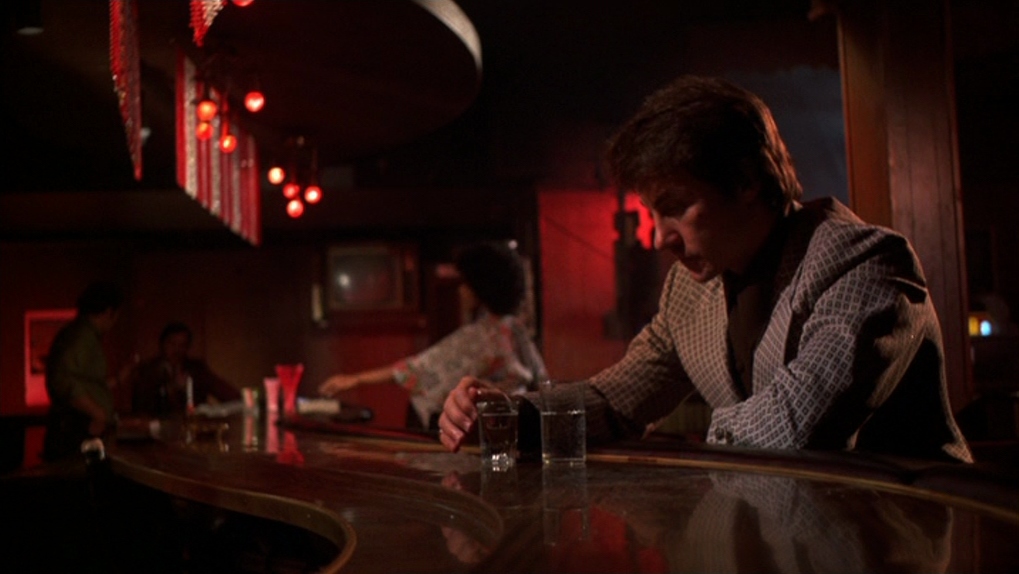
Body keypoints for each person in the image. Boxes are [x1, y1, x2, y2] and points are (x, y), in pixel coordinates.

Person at [439, 75, 973, 463]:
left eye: (675, 207)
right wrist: (509, 416)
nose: (659, 238)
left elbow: (794, 428)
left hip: (903, 537)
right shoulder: (690, 289)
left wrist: (680, 449)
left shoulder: (865, 263)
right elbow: (615, 400)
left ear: (745, 182)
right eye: (653, 214)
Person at [319, 241, 548, 430]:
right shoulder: (516, 330)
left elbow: (417, 370)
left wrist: (356, 379)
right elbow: (540, 380)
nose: (461, 290)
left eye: (465, 284)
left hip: (481, 433)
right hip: (513, 429)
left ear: (481, 288)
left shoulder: (481, 336)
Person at [42, 281, 131, 461]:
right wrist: (97, 413)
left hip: (79, 425)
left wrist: (117, 380)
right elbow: (65, 381)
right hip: (76, 428)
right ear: (109, 312)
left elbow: (86, 382)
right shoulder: (83, 336)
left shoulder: (82, 334)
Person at [130, 321, 240, 417]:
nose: (177, 350)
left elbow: (225, 392)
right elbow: (141, 407)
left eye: (182, 345)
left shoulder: (196, 369)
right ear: (162, 344)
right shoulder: (149, 370)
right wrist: (173, 389)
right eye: (172, 343)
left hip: (193, 427)